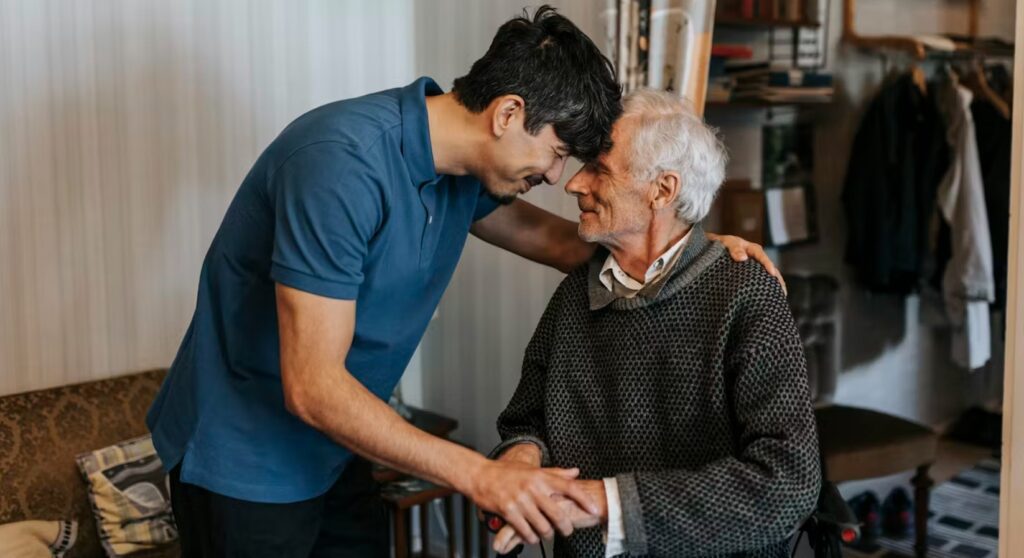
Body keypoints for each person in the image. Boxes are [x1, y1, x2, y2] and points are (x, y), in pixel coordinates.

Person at [146, 6, 779, 557]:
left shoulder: (463, 175)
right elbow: (312, 388)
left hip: (333, 451)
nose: (561, 178)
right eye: (558, 152)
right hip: (244, 459)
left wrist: (698, 249)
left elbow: (561, 243)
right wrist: (480, 474)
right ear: (508, 113)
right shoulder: (340, 165)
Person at [490, 89, 821, 558]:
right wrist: (521, 457)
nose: (574, 184)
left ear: (663, 190)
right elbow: (526, 419)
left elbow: (789, 481)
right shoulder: (574, 298)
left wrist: (608, 504)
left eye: (599, 169)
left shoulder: (746, 296)